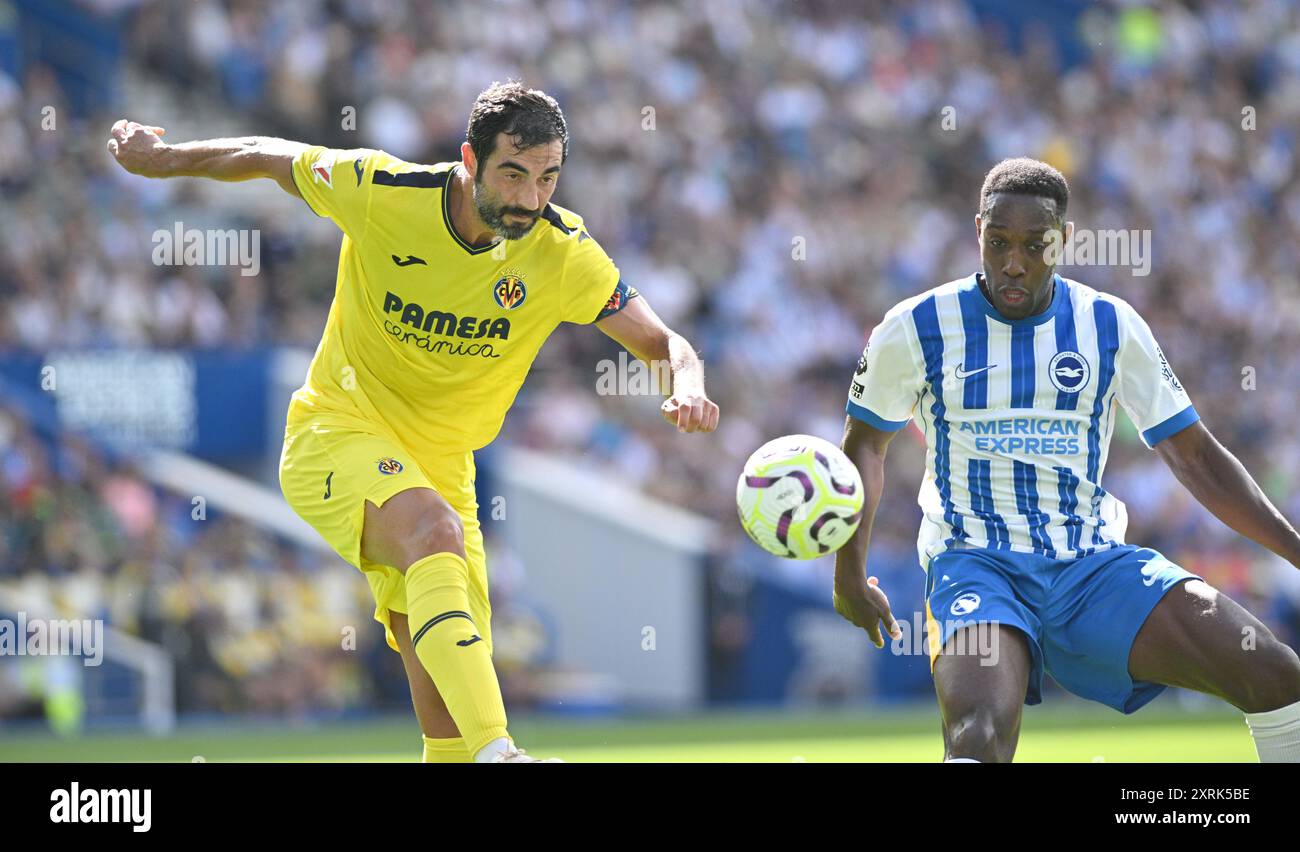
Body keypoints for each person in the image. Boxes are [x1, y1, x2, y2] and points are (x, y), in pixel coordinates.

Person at [108, 82, 719, 763]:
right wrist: (166, 161)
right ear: (469, 159)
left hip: (444, 469)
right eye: (512, 174)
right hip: (335, 433)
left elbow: (663, 342)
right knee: (434, 534)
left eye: (547, 178)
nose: (529, 198)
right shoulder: (383, 190)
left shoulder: (561, 251)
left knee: (448, 719)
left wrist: (688, 383)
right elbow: (268, 152)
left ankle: (474, 752)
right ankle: (505, 755)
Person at [833, 157, 1300, 762]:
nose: (1013, 262)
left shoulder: (1110, 325)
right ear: (977, 232)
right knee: (977, 735)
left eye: (1035, 245)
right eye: (998, 242)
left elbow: (1196, 458)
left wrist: (1294, 551)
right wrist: (849, 571)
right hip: (976, 564)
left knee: (1274, 674)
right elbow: (865, 445)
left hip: (1091, 567)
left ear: (1065, 240)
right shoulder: (917, 326)